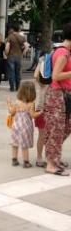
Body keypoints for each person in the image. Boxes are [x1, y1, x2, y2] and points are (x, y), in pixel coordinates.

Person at [43, 23, 71, 176]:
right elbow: (56, 76)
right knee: (56, 129)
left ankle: (54, 158)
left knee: (64, 128)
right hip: (57, 95)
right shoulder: (63, 53)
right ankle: (51, 164)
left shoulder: (66, 52)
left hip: (63, 95)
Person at [7, 81, 41, 168]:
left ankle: (14, 160)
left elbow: (12, 113)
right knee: (24, 145)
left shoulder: (17, 102)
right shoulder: (31, 104)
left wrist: (8, 104)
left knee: (15, 143)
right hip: (26, 127)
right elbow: (33, 115)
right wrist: (41, 112)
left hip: (16, 126)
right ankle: (26, 162)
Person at [33, 52, 49, 168]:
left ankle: (48, 157)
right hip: (41, 108)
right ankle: (39, 157)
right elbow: (36, 76)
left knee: (46, 135)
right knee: (43, 134)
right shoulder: (41, 78)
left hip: (47, 107)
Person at [5, 23, 26, 92]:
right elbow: (26, 46)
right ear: (19, 29)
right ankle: (18, 87)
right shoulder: (22, 37)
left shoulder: (10, 36)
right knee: (18, 72)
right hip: (19, 56)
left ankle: (12, 87)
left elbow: (7, 47)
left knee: (11, 72)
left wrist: (6, 54)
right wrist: (22, 53)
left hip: (11, 56)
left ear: (13, 29)